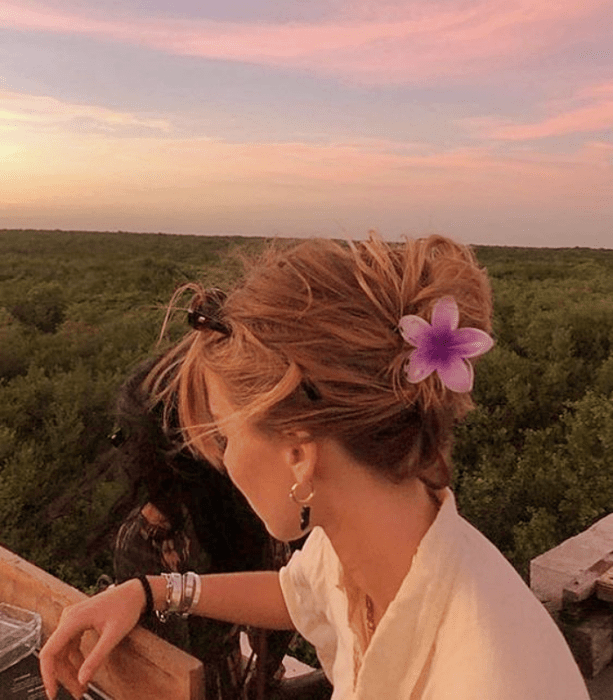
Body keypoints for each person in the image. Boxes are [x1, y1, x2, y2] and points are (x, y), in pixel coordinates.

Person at [41, 234, 589, 700]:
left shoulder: (484, 678)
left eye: (227, 436)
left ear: (300, 453)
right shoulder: (374, 543)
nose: (223, 461)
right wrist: (151, 591)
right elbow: (297, 593)